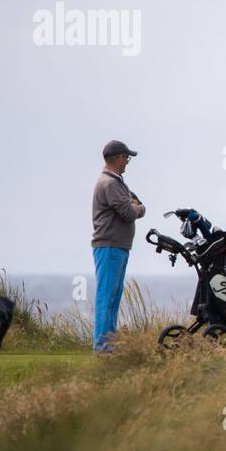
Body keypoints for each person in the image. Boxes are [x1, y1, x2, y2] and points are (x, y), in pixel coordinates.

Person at [91, 140, 145, 352]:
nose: (127, 162)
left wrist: (135, 204)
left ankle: (108, 344)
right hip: (110, 246)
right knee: (107, 296)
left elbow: (135, 202)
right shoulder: (111, 184)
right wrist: (137, 208)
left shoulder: (116, 182)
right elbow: (131, 211)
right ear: (118, 158)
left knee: (113, 296)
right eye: (126, 158)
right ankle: (102, 347)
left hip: (117, 246)